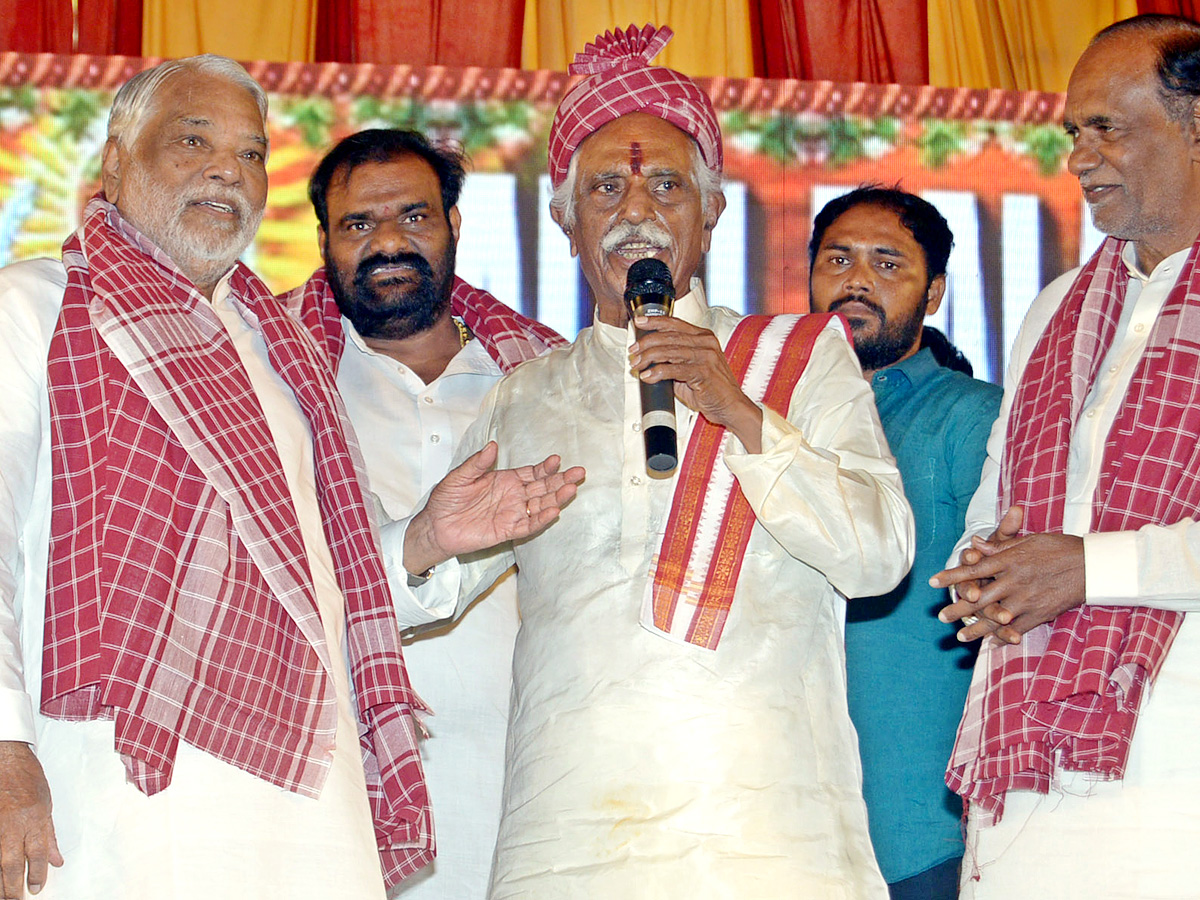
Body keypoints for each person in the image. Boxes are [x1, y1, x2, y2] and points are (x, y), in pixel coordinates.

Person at [0, 56, 579, 900]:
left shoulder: (280, 358)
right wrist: (5, 745)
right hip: (121, 795)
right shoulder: (37, 309)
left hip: (306, 804)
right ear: (116, 161)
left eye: (250, 153)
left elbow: (315, 583)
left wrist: (425, 540)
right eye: (194, 139)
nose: (226, 171)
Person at [396, 24, 913, 899]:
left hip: (772, 844)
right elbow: (420, 596)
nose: (637, 207)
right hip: (566, 844)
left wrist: (742, 414)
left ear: (711, 212)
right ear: (564, 222)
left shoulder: (801, 356)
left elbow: (878, 557)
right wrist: (427, 539)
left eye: (668, 183)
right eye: (605, 187)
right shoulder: (526, 395)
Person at [932, 14, 1200, 899]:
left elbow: (1082, 556)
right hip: (1033, 770)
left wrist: (1090, 568)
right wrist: (987, 570)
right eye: (1071, 133)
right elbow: (994, 503)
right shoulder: (1058, 309)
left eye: (1107, 129)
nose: (1080, 158)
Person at [286, 127, 566, 899]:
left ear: (453, 226)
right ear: (323, 241)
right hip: (332, 795)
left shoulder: (543, 381)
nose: (387, 244)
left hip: (526, 794)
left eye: (413, 217)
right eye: (358, 225)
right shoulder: (274, 381)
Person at [809, 187, 1001, 900]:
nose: (856, 281)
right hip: (780, 818)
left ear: (936, 291)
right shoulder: (768, 420)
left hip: (921, 830)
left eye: (888, 263)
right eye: (838, 259)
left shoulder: (975, 419)